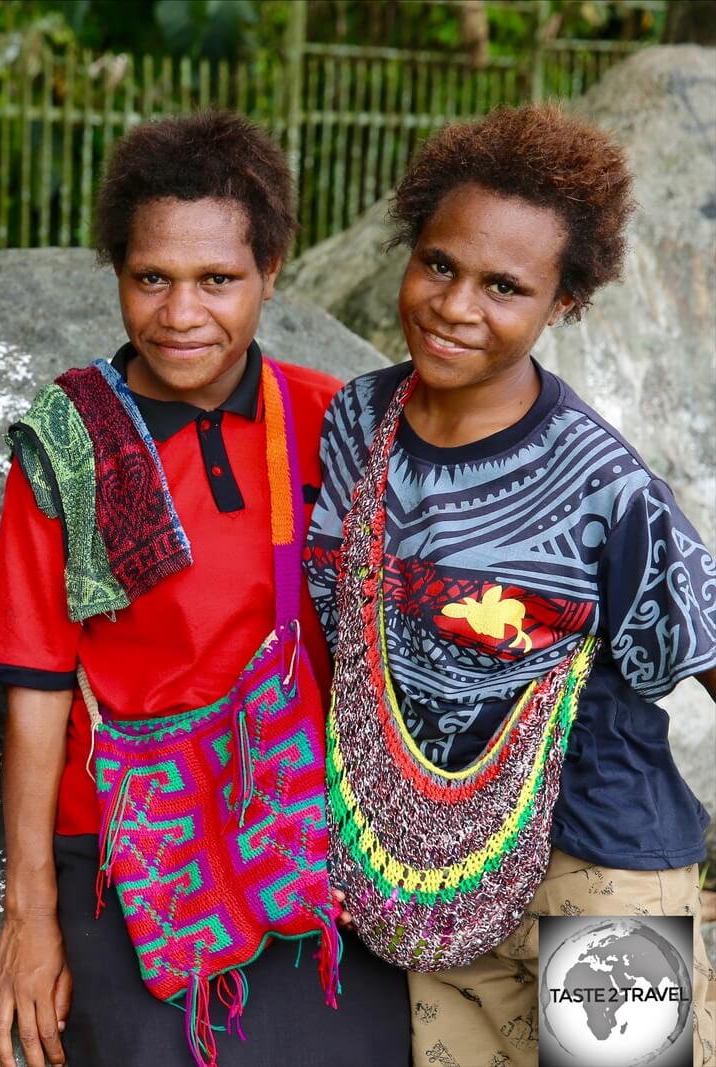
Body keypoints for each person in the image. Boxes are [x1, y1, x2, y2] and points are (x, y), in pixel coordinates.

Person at [0, 112, 409, 1067]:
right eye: (151, 279)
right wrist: (32, 911)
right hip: (128, 850)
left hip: (306, 833)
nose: (181, 314)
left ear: (273, 268)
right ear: (118, 271)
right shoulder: (70, 441)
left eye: (218, 279)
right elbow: (40, 689)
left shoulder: (328, 419)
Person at [306, 104, 716, 1067]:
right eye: (441, 264)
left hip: (602, 858)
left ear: (561, 302)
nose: (456, 305)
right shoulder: (357, 423)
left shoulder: (600, 485)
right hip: (434, 869)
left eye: (505, 286)